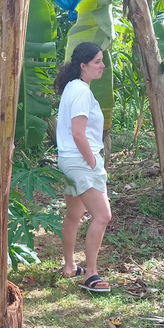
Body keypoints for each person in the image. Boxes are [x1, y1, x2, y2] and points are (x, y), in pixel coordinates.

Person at [54, 42, 112, 293]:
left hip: (68, 160)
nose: (102, 66)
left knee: (74, 215)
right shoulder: (81, 91)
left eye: (102, 61)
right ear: (83, 65)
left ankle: (69, 265)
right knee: (103, 215)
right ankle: (91, 274)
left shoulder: (73, 87)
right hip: (80, 161)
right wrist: (92, 161)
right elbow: (79, 133)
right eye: (97, 61)